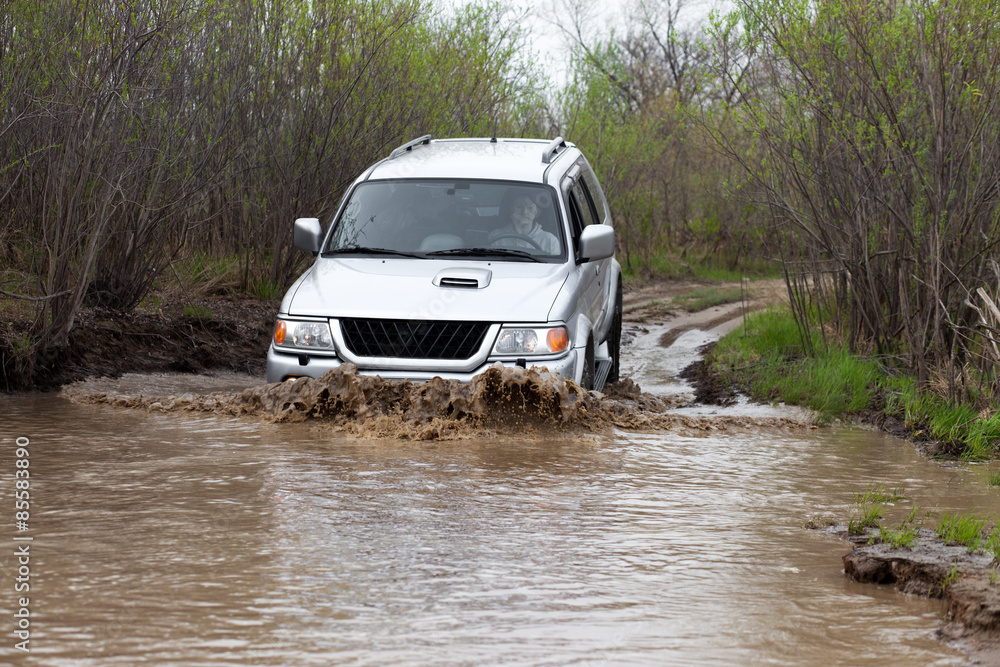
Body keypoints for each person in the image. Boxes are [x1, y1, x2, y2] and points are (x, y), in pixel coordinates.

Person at [488, 190, 560, 254]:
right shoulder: (496, 236)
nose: (524, 212)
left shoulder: (549, 240)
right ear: (511, 210)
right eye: (519, 207)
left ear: (537, 212)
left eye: (530, 208)